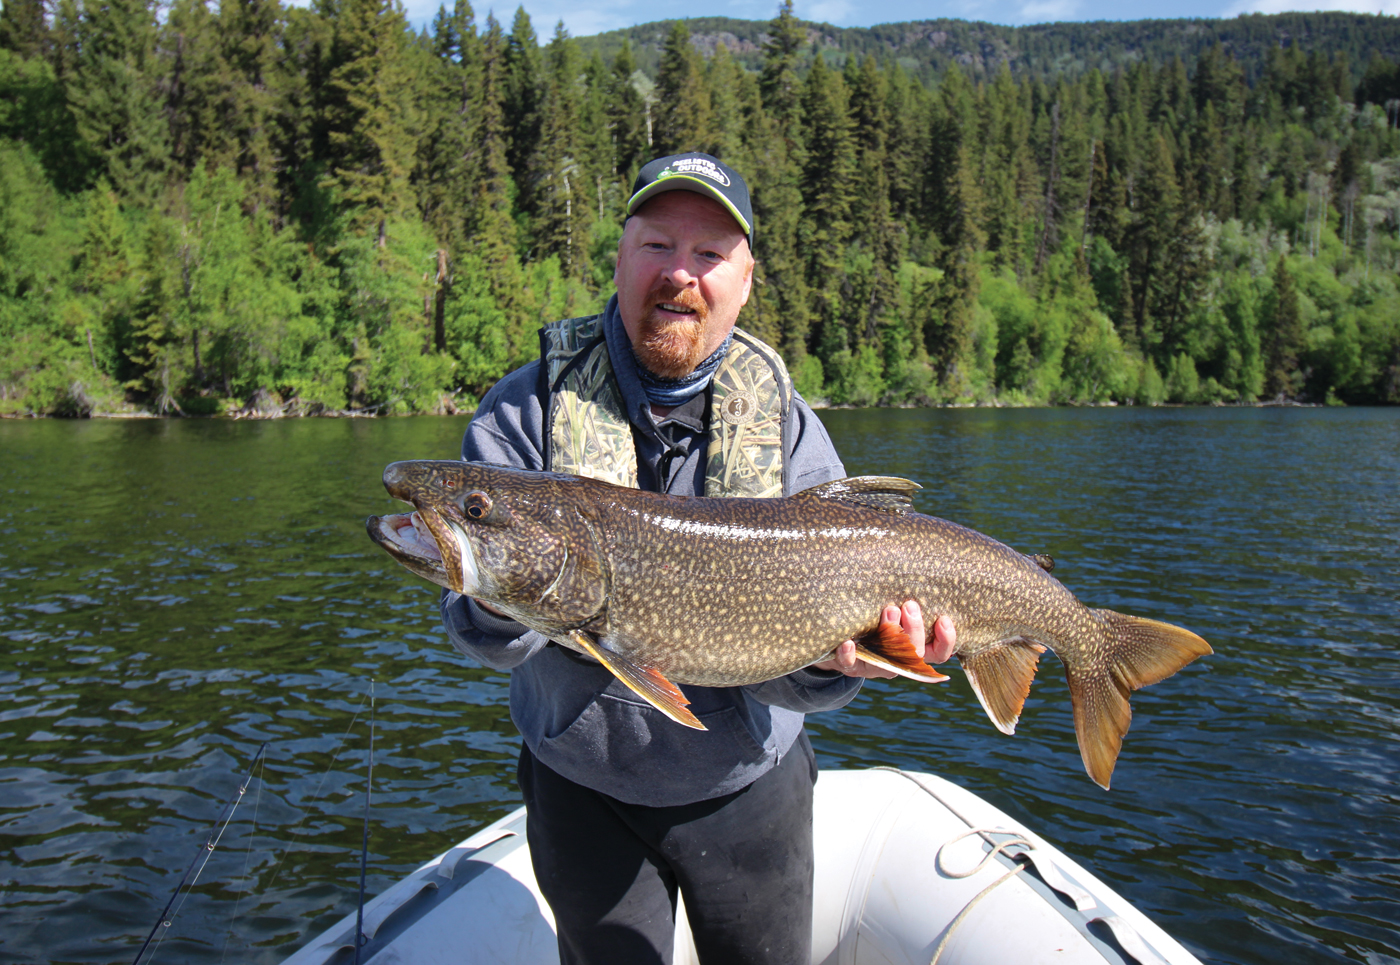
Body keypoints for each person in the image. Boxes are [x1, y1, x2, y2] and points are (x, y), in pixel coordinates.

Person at [440, 152, 956, 965]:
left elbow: (811, 682)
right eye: (657, 246)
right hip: (581, 788)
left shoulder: (789, 432)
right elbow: (481, 635)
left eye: (709, 254)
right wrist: (495, 600)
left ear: (744, 282)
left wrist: (845, 663)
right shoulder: (523, 412)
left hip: (749, 791)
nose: (680, 273)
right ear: (619, 259)